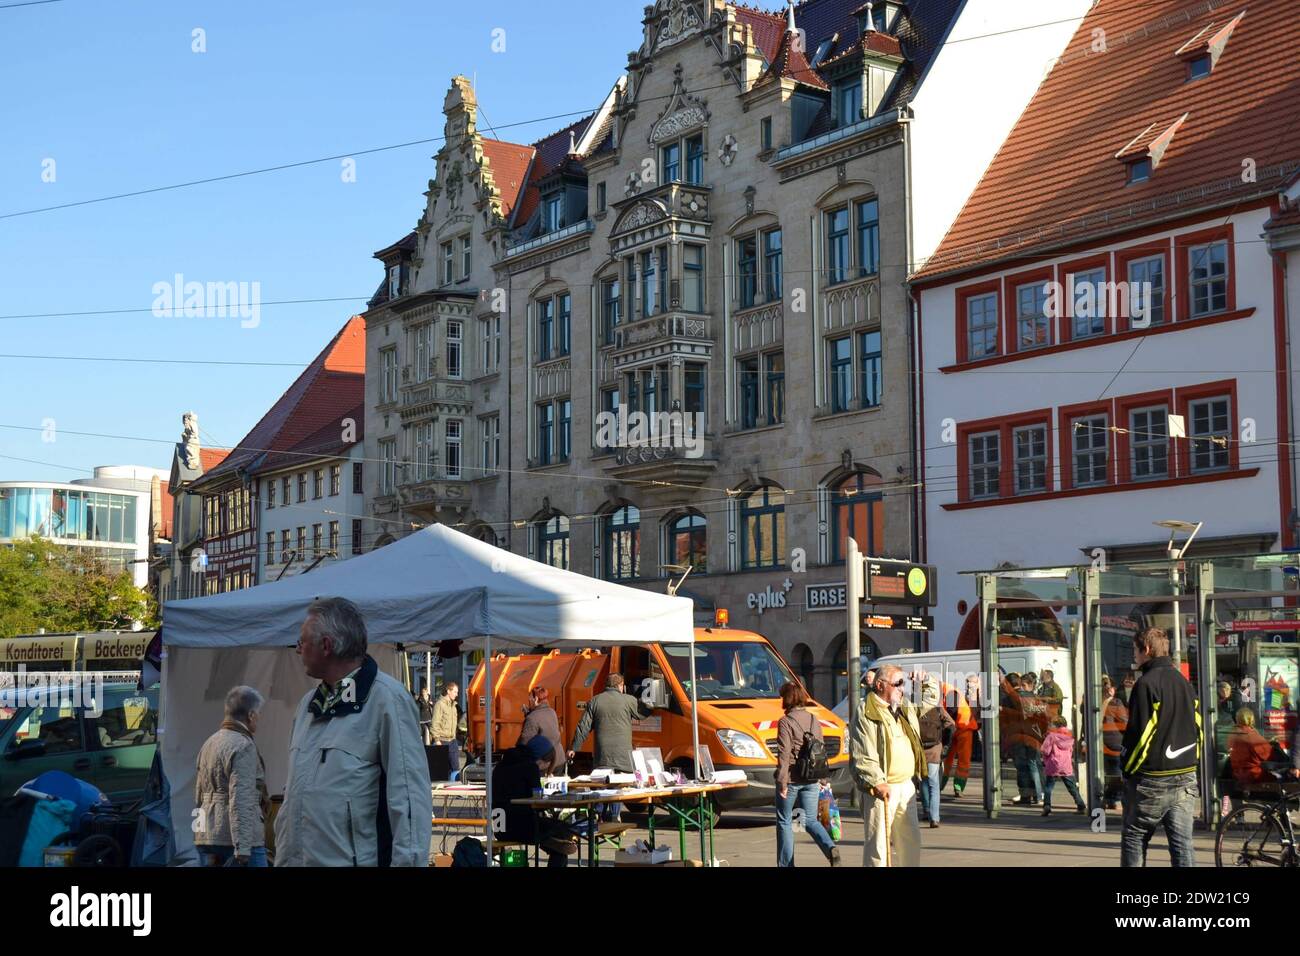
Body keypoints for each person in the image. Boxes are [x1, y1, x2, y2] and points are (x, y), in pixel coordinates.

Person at [274, 597, 433, 867]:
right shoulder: (307, 707)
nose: (298, 650)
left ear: (326, 645)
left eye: (302, 642)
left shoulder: (387, 701)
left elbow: (409, 802)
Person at [1119, 626, 1202, 868]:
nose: (1134, 655)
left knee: (1134, 835)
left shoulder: (1146, 684)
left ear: (1146, 649)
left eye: (1135, 650)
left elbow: (1140, 736)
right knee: (1182, 844)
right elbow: (1198, 727)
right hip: (1185, 774)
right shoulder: (1183, 682)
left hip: (1153, 778)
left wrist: (1126, 768)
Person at [849, 663, 926, 867]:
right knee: (879, 846)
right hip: (882, 788)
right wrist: (877, 781)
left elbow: (927, 703)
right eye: (897, 683)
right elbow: (864, 751)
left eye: (904, 683)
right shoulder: (867, 710)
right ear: (881, 685)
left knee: (911, 840)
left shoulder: (902, 707)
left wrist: (923, 684)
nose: (902, 688)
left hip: (905, 785)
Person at [194, 685, 270, 866]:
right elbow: (241, 797)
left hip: (207, 837)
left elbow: (198, 796)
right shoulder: (243, 745)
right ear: (251, 715)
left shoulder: (209, 742)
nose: (259, 719)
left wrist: (199, 832)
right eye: (258, 714)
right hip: (238, 841)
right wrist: (243, 847)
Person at [568, 672, 652, 822]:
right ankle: (615, 817)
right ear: (621, 686)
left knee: (601, 786)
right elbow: (643, 714)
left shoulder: (595, 701)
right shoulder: (628, 700)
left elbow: (583, 727)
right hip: (623, 755)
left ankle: (597, 816)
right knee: (617, 787)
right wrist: (649, 701)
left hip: (603, 755)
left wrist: (574, 747)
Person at [774, 680, 839, 866]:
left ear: (786, 699)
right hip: (812, 778)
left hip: (792, 778)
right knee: (810, 819)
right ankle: (830, 847)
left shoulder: (785, 722)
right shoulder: (813, 719)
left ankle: (786, 865)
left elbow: (784, 753)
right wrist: (823, 778)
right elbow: (820, 749)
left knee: (785, 821)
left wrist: (782, 782)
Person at [492, 737, 576, 867]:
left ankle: (560, 845)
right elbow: (538, 800)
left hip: (499, 828)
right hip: (522, 826)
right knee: (563, 833)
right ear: (541, 757)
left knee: (559, 840)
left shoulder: (500, 767)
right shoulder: (530, 767)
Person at [917, 677, 955, 828]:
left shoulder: (915, 708)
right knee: (934, 783)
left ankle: (926, 810)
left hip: (919, 750)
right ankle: (935, 816)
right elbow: (951, 725)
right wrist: (944, 743)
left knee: (922, 781)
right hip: (934, 749)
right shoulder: (938, 708)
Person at [1040, 716, 1085, 816]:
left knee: (1048, 787)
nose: (1050, 725)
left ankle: (1047, 806)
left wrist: (1043, 755)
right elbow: (1070, 751)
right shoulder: (1070, 736)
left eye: (1052, 724)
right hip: (1066, 765)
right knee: (1072, 787)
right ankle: (1081, 805)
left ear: (1056, 725)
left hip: (1053, 764)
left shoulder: (1051, 736)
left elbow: (1045, 750)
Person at [943, 675, 980, 798]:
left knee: (961, 759)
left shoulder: (975, 695)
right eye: (968, 683)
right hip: (957, 727)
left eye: (972, 683)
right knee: (947, 758)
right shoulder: (957, 694)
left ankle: (957, 787)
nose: (969, 686)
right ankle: (942, 784)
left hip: (963, 728)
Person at [1227, 707, 1281, 788]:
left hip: (1238, 774)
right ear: (1251, 719)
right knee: (1283, 776)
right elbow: (1268, 755)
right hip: (1254, 775)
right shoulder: (1251, 735)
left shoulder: (1232, 735)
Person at [518, 685, 566, 775]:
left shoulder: (532, 718)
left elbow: (524, 743)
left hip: (543, 764)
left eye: (530, 700)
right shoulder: (552, 712)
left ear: (536, 699)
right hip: (559, 760)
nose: (529, 702)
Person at [1100, 676, 1128, 810]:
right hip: (1115, 742)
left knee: (1109, 772)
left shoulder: (1094, 701)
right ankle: (1114, 799)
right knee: (1116, 773)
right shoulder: (1116, 703)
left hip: (1100, 742)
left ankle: (1108, 798)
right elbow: (1125, 721)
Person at [432, 681, 460, 777]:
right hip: (442, 741)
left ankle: (455, 790)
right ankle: (445, 790)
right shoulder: (440, 704)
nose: (456, 695)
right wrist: (437, 740)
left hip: (452, 741)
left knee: (456, 768)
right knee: (444, 770)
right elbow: (435, 723)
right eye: (455, 692)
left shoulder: (454, 706)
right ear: (448, 691)